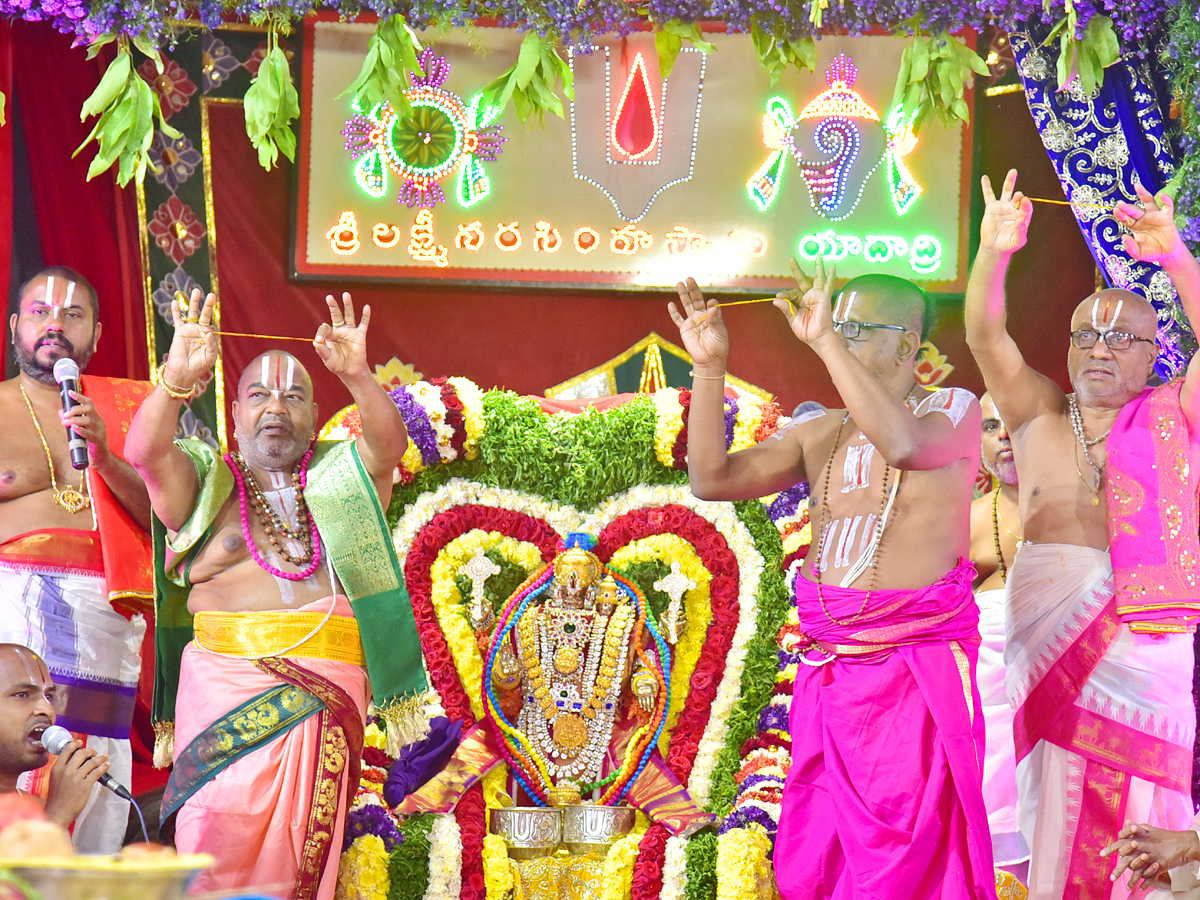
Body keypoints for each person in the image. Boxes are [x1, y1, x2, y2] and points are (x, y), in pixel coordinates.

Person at [669, 262, 993, 898]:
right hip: (832, 677)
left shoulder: (952, 411)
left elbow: (902, 445)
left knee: (910, 865)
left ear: (906, 342)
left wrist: (823, 342)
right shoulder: (819, 429)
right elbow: (713, 478)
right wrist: (710, 370)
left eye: (855, 327)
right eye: (833, 324)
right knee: (819, 858)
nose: (835, 334)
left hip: (911, 675)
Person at [125, 290, 427, 899]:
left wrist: (359, 377)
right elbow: (143, 452)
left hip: (327, 697)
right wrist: (177, 381)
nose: (275, 408)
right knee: (218, 833)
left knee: (306, 860)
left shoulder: (342, 481)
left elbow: (389, 447)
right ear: (234, 413)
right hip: (228, 696)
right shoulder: (205, 483)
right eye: (259, 394)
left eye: (293, 396)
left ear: (315, 415)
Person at [964, 170, 1200, 900]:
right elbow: (982, 332)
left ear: (1153, 352)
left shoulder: (1174, 412)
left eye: (1121, 338)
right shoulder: (1034, 409)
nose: (1100, 349)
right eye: (1085, 336)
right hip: (1049, 631)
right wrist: (994, 252)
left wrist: (1176, 259)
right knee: (1055, 798)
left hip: (1144, 643)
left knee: (1146, 797)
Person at [0, 266, 153, 853]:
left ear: (95, 336)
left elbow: (164, 524)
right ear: (15, 327)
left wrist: (110, 458)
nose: (54, 326)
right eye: (40, 312)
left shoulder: (133, 413)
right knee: (17, 766)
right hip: (14, 632)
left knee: (96, 778)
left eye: (72, 315)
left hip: (106, 631)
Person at [967, 392, 1029, 879]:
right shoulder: (960, 520)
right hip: (983, 724)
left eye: (1013, 421)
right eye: (990, 427)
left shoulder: (1091, 506)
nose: (1003, 435)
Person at [0, 643, 113, 834]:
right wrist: (56, 819)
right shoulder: (49, 815)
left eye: (49, 696)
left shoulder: (35, 808)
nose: (47, 710)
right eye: (22, 695)